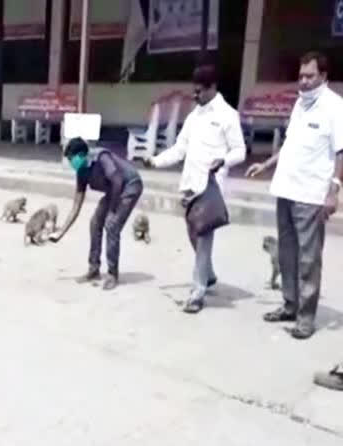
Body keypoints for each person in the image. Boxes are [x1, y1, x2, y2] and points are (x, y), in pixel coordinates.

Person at [247, 52, 342, 340]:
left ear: (323, 77)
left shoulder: (335, 107)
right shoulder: (301, 103)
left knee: (308, 259)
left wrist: (333, 192)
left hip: (311, 195)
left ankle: (305, 318)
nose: (303, 81)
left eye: (309, 76)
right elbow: (289, 144)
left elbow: (341, 152)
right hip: (286, 190)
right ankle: (289, 305)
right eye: (301, 76)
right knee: (287, 254)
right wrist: (266, 163)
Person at [146, 64, 246, 314]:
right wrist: (155, 161)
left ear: (213, 88)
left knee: (203, 238)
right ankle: (208, 274)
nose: (196, 96)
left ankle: (197, 292)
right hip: (189, 184)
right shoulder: (194, 116)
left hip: (210, 187)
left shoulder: (227, 115)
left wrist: (224, 160)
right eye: (194, 91)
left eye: (200, 91)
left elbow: (240, 151)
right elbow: (180, 149)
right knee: (193, 233)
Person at [49, 136, 144, 290]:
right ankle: (94, 269)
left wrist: (112, 210)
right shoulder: (81, 171)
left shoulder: (101, 157)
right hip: (114, 190)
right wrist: (61, 232)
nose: (71, 163)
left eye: (72, 158)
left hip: (130, 186)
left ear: (81, 155)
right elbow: (76, 205)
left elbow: (118, 180)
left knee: (111, 225)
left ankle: (112, 274)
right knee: (95, 223)